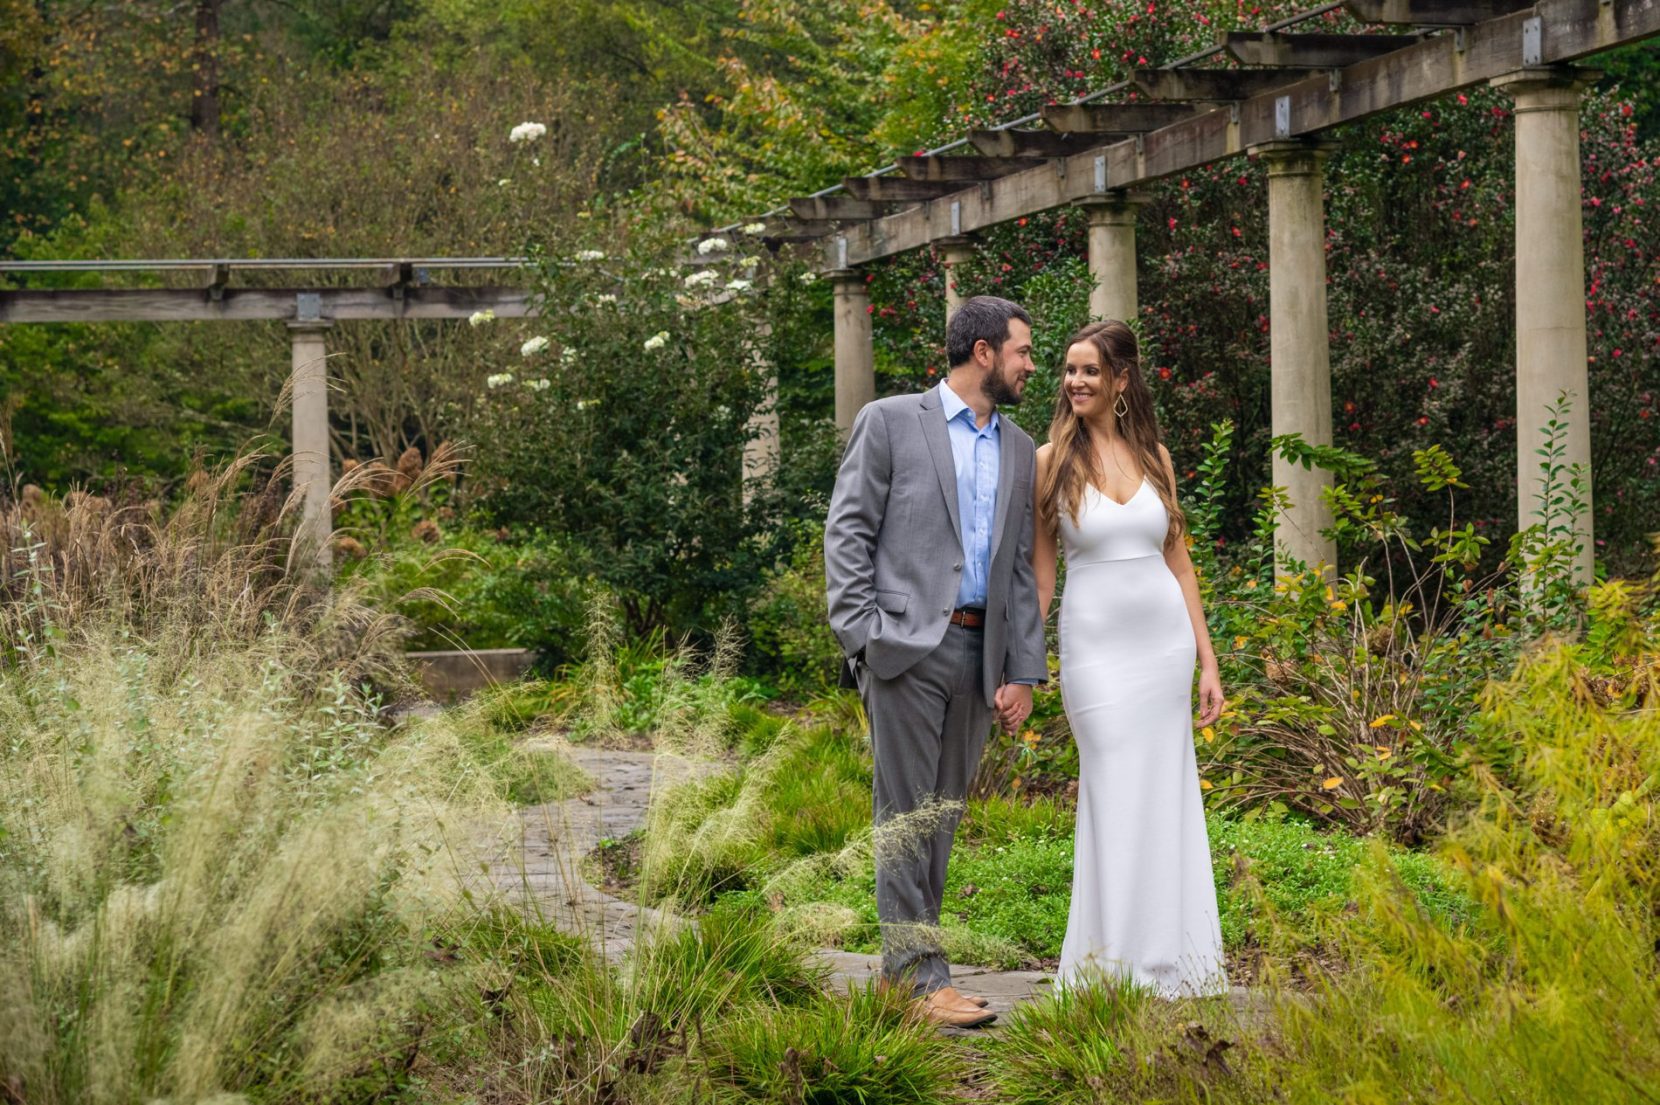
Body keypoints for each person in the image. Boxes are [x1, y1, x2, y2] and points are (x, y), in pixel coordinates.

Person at [824, 295, 1047, 1029]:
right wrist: (863, 634)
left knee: (941, 814)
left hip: (980, 654)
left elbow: (1017, 565)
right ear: (983, 351)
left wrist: (1023, 668)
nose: (1028, 363)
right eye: (1021, 349)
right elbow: (848, 530)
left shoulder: (1019, 447)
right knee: (906, 815)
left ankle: (914, 975)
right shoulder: (890, 421)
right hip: (905, 649)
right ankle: (919, 983)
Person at [1033, 319, 1227, 998]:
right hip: (1093, 652)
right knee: (1112, 791)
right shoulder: (1048, 460)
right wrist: (1021, 661)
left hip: (1163, 649)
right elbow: (1043, 577)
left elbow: (1181, 566)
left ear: (1120, 380)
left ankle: (1168, 963)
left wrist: (1207, 661)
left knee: (1162, 796)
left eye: (1089, 370)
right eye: (1068, 369)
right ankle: (1107, 966)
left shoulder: (1158, 460)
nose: (1075, 381)